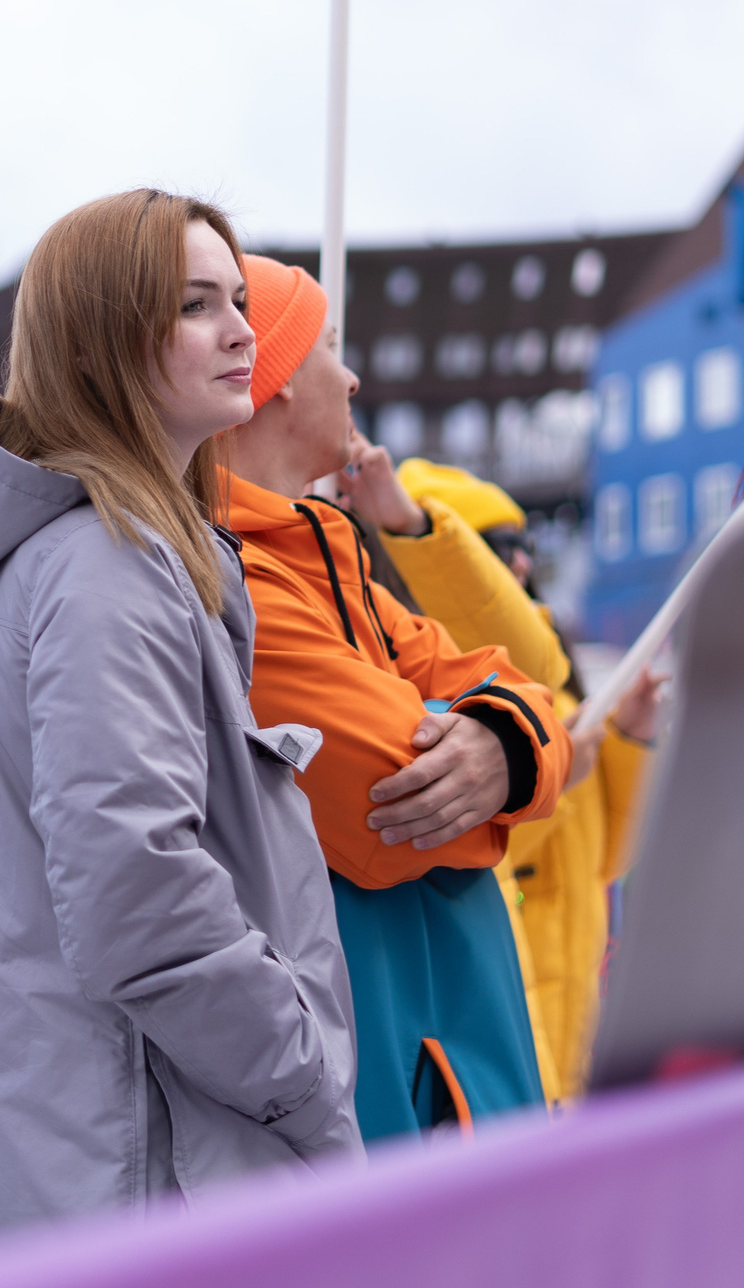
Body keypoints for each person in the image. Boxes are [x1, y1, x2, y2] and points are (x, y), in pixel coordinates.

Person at [0, 189, 360, 1237]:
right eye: (195, 305)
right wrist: (305, 1075)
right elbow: (138, 894)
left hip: (142, 1153)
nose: (240, 331)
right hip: (160, 1167)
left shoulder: (119, 552)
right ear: (100, 342)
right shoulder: (107, 564)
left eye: (237, 300)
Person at [218, 256, 569, 1141]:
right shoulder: (233, 583)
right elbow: (396, 806)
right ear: (276, 380)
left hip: (446, 1061)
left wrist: (505, 743)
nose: (351, 378)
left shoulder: (331, 561)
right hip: (385, 1088)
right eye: (330, 347)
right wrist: (506, 748)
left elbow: (530, 691)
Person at [349, 453, 662, 1104]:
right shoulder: (422, 703)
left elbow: (605, 861)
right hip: (505, 1050)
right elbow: (468, 863)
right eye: (494, 547)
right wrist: (552, 779)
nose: (517, 563)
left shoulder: (555, 696)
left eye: (522, 545)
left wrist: (631, 740)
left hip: (574, 1049)